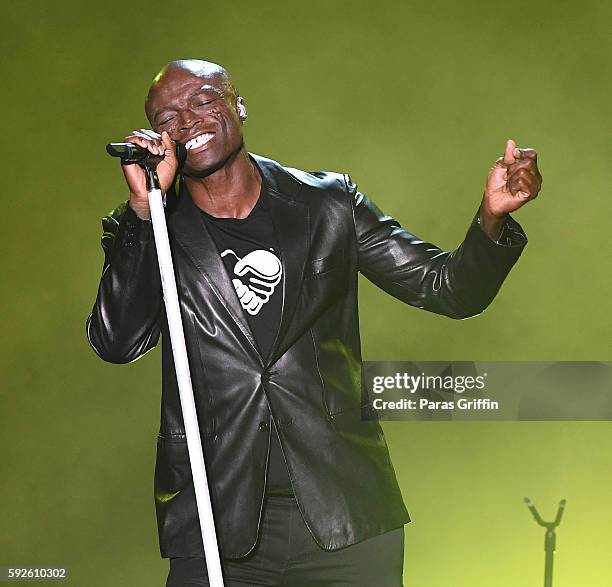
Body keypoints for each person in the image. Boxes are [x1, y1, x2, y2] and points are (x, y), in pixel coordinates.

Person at [86, 59, 542, 586]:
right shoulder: (154, 230)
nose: (186, 120)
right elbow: (117, 342)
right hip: (217, 522)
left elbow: (448, 289)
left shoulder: (328, 204)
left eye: (204, 101)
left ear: (239, 105)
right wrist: (145, 213)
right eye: (167, 117)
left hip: (344, 513)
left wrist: (492, 217)